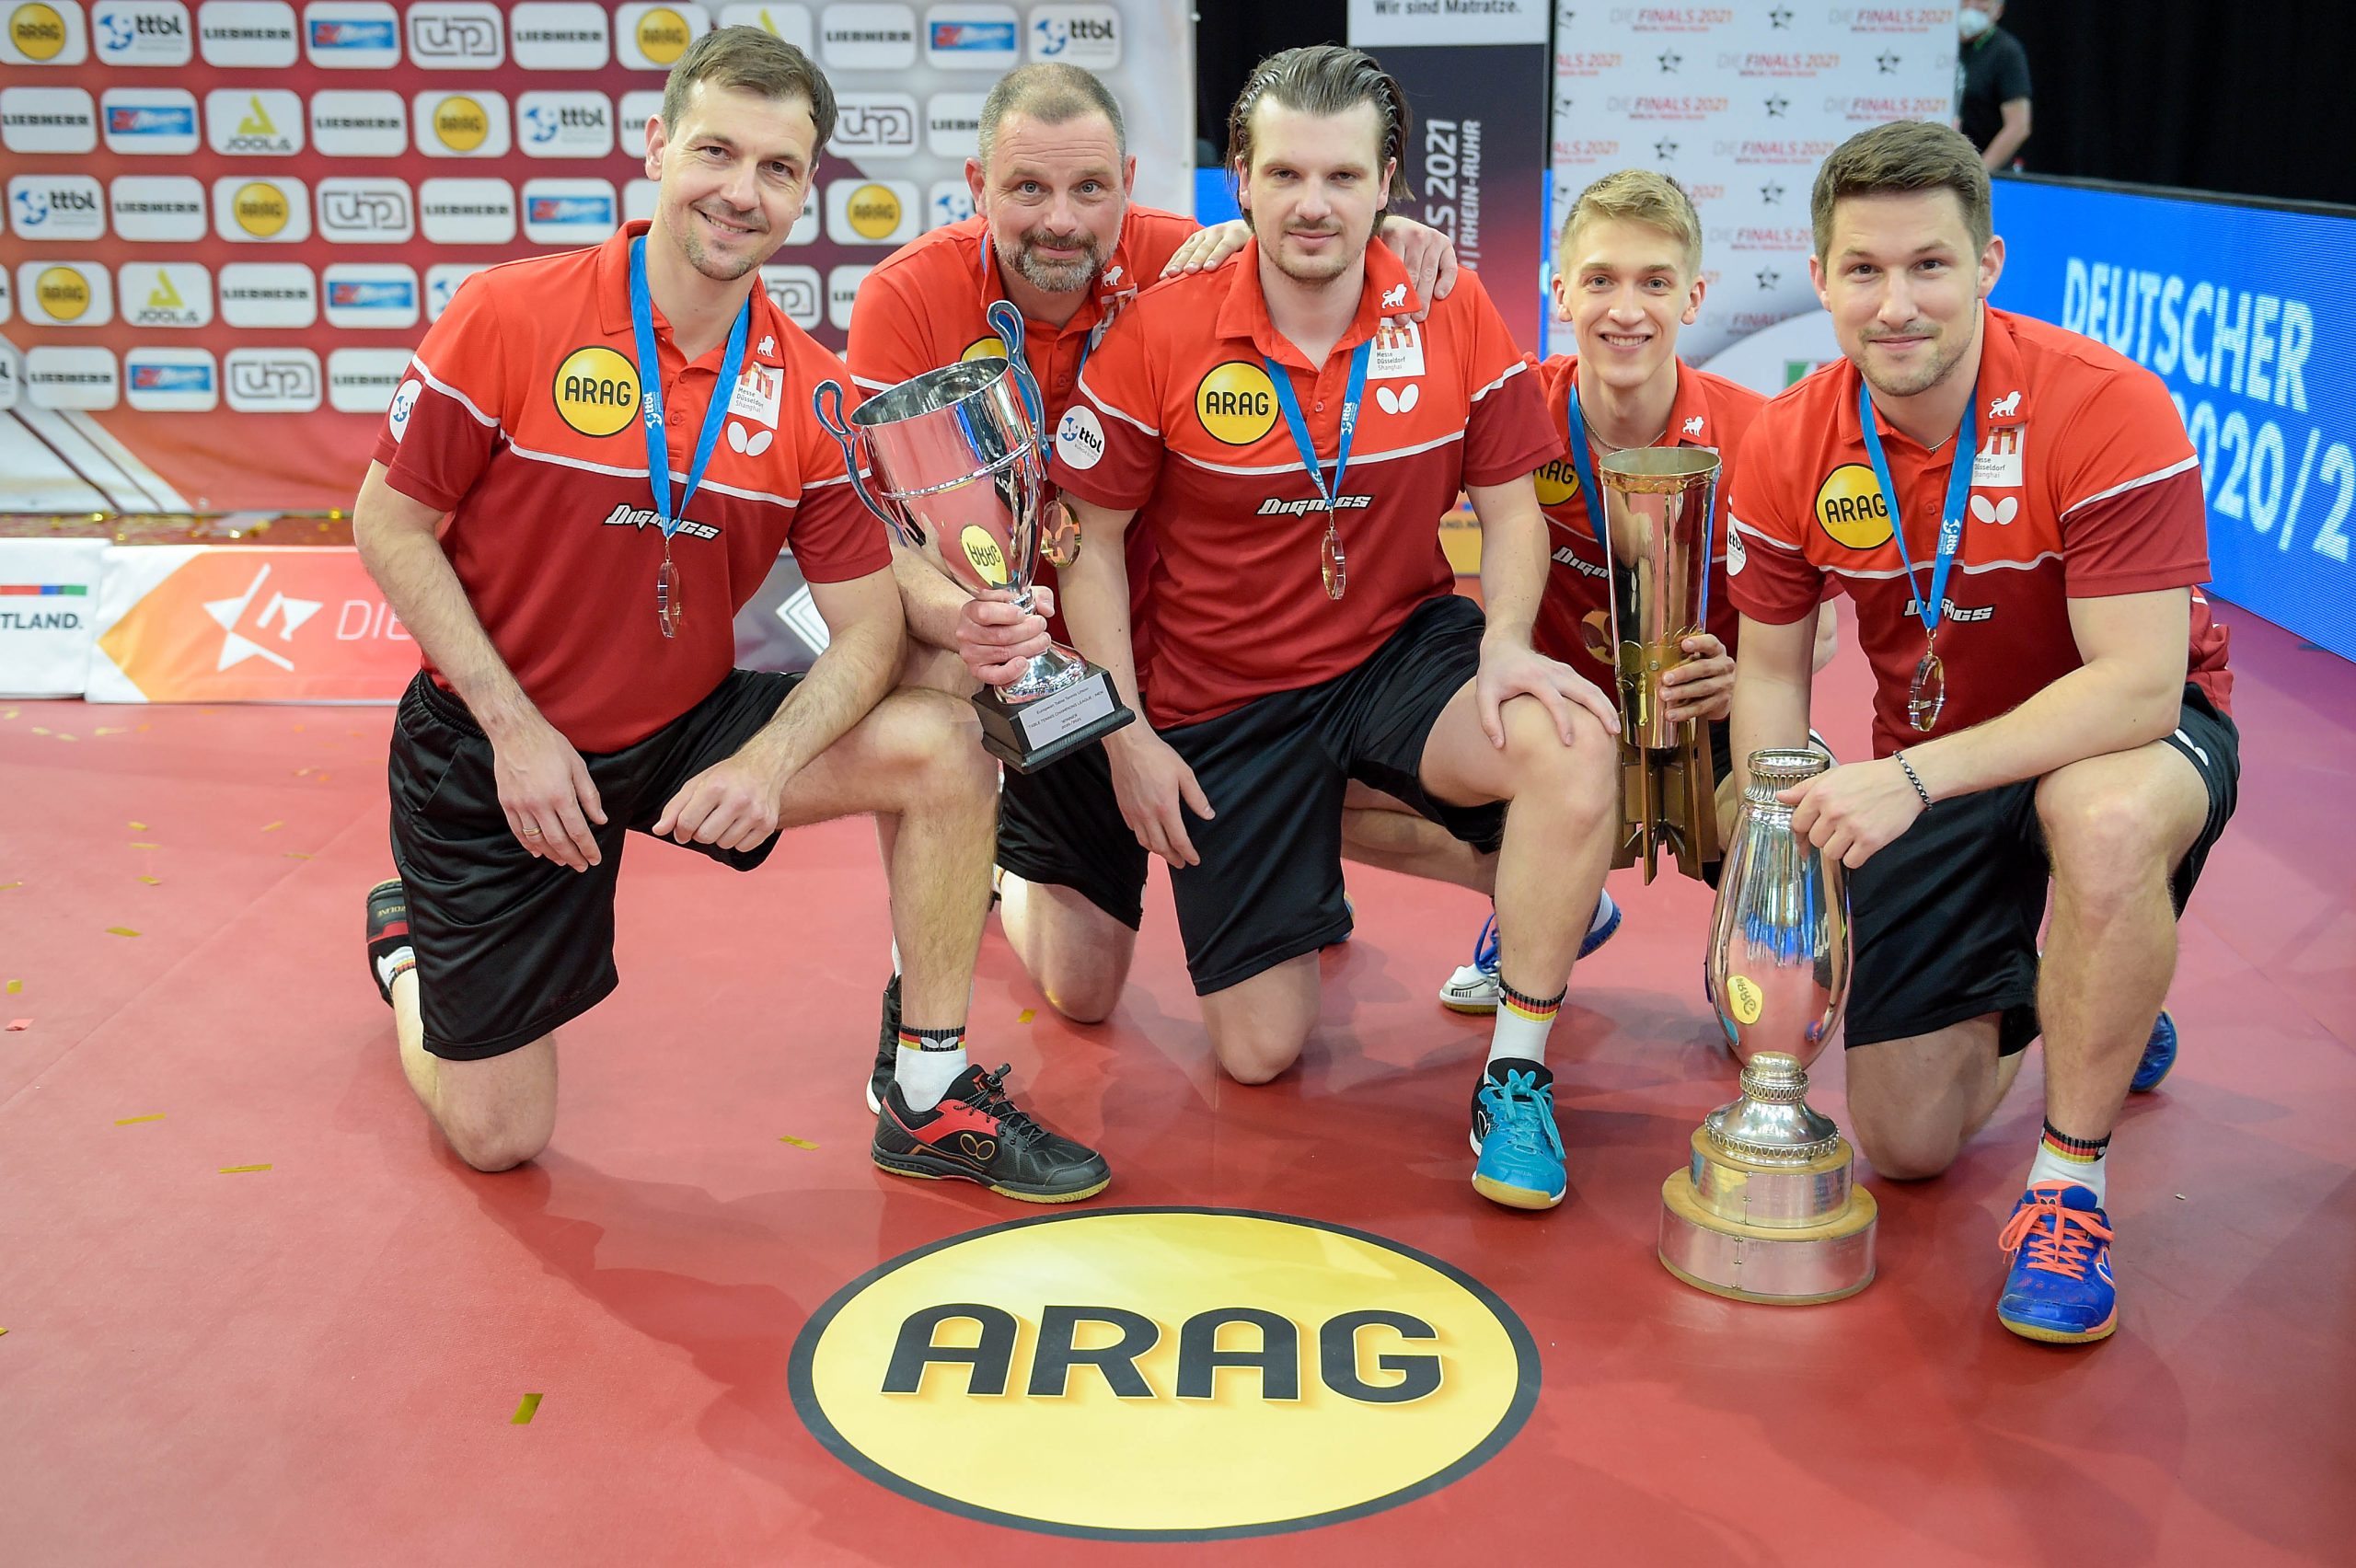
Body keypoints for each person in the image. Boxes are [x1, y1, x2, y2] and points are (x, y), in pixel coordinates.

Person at [352, 28, 1109, 1203]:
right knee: (498, 1135)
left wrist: (767, 761)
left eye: (777, 168)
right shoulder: (508, 314)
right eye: (716, 151)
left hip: (679, 726)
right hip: (498, 750)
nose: (741, 192)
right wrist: (514, 729)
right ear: (658, 148)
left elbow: (868, 628)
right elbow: (388, 527)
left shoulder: (811, 390)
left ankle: (926, 1092)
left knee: (946, 743)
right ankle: (413, 955)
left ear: (804, 190)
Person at [1045, 44, 1623, 1212]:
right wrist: (1125, 734)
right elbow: (1088, 545)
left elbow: (1512, 509)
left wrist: (1509, 643)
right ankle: (1367, 867)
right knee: (1258, 1052)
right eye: (1287, 175)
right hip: (1224, 695)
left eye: (1344, 177)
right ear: (1241, 181)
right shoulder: (1161, 329)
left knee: (1569, 743)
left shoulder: (1449, 307)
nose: (1314, 204)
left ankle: (1516, 1072)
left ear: (1386, 184)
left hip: (1395, 652)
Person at [848, 63, 1461, 1104]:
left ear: (1128, 184)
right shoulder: (905, 296)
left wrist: (1395, 237)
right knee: (1081, 987)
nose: (1060, 220)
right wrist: (972, 621)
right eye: (1028, 189)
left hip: (1171, 648)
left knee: (1330, 718)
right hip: (1017, 649)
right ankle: (929, 956)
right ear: (976, 184)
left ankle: (1284, 862)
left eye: (1089, 188)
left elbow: (1318, 239)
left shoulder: (1188, 255)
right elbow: (886, 535)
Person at [1725, 120, 2237, 1343]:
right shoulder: (1787, 439)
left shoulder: (2104, 405)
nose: (1896, 304)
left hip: (2125, 740)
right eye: (1863, 270)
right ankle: (2095, 995)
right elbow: (1769, 675)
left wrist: (1906, 778)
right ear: (1820, 277)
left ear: (1988, 264)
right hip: (1938, 760)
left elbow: (2138, 687)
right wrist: (1771, 847)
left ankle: (2069, 1190)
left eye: (1929, 266)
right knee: (1905, 1142)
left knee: (2095, 819)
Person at [1334, 169, 1840, 1013]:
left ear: (1694, 297)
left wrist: (1741, 679)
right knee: (1325, 782)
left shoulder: (1760, 433)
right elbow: (1323, 293)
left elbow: (1818, 632)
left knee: (1812, 811)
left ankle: (1765, 975)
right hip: (1569, 732)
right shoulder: (1516, 405)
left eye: (1655, 283)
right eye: (1600, 280)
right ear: (1561, 292)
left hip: (1712, 728)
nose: (1626, 309)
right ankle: (1545, 903)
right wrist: (1245, 238)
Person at [1958, 1, 2032, 172]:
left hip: (1985, 169)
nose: (1972, 5)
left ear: (1999, 10)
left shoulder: (2006, 52)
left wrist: (1979, 172)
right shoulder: (1939, 44)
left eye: (1982, 1)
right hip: (1940, 163)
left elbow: (2018, 126)